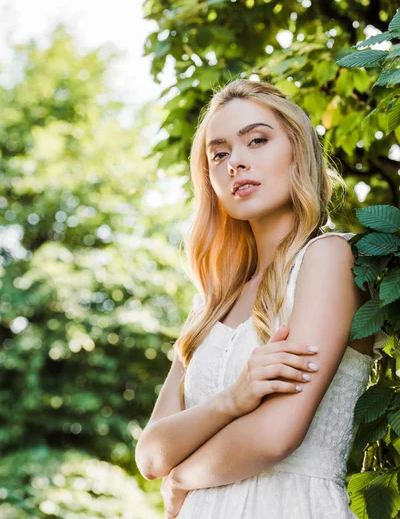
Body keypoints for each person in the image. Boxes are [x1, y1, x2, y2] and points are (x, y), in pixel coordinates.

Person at [135, 79, 389, 518]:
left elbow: (275, 437)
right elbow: (151, 455)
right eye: (219, 153)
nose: (236, 162)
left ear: (298, 151)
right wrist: (233, 399)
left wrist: (182, 477)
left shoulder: (329, 258)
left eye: (257, 140)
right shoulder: (209, 303)